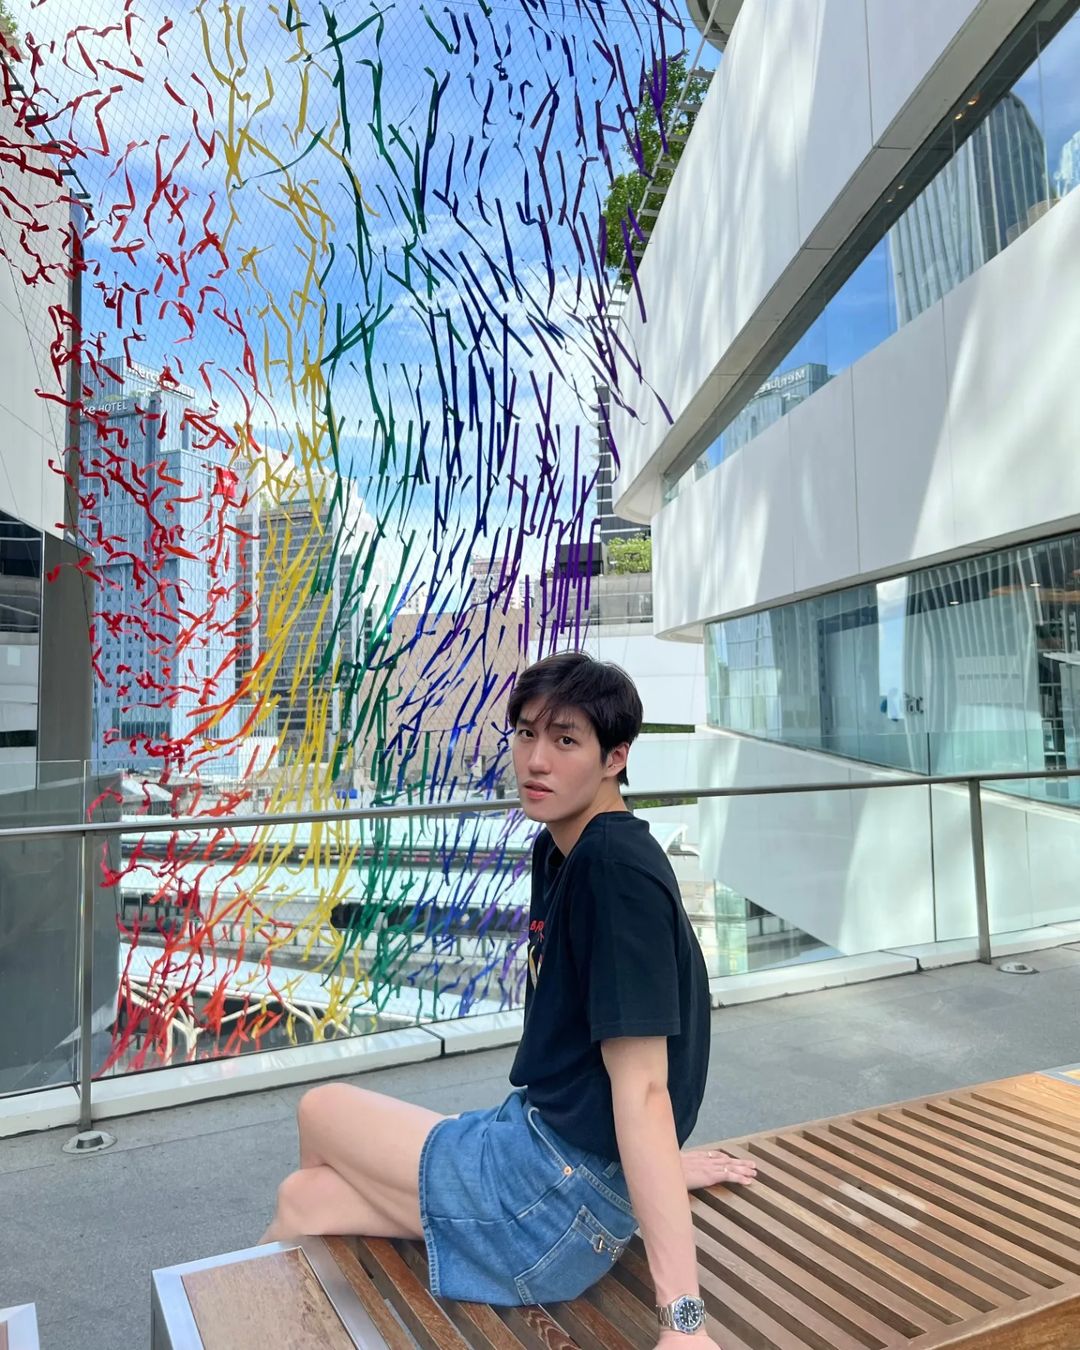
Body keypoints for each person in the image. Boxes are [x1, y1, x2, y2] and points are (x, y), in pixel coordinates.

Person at [262, 651, 756, 1342]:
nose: (536, 760)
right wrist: (662, 1166)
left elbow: (645, 1087)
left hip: (553, 1201)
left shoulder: (612, 872)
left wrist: (684, 1321)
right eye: (526, 734)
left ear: (615, 758)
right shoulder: (563, 849)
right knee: (304, 1199)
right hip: (548, 1156)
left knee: (321, 1110)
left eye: (566, 740)